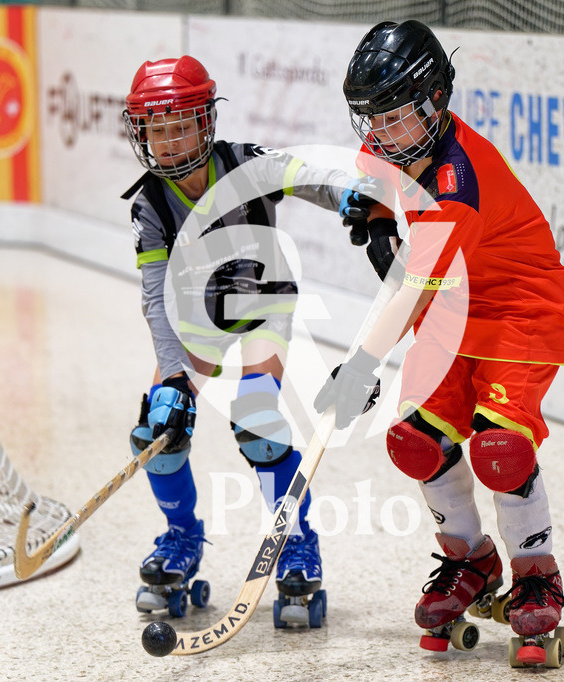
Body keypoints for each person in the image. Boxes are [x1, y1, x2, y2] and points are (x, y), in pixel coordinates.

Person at [314, 21, 564, 663]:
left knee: (499, 448)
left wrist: (360, 366)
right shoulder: (394, 143)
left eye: (396, 118)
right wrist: (376, 221)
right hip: (456, 307)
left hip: (522, 307)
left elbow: (411, 290)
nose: (380, 134)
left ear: (437, 101)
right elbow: (373, 183)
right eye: (370, 120)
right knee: (414, 441)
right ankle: (471, 559)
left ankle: (537, 574)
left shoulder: (461, 180)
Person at [121, 55, 377, 623]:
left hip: (262, 303)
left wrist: (350, 196)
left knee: (258, 418)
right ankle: (181, 538)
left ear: (205, 122)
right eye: (154, 131)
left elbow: (305, 175)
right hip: (193, 317)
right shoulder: (150, 204)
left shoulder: (242, 163)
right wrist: (172, 380)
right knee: (159, 426)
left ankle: (296, 542)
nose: (166, 143)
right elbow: (154, 295)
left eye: (178, 126)